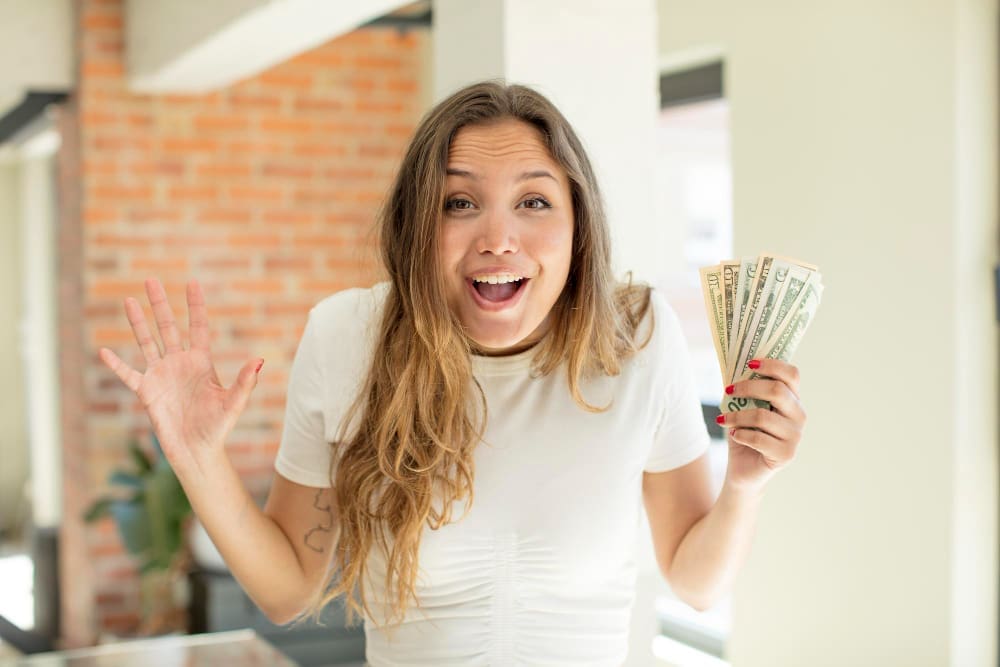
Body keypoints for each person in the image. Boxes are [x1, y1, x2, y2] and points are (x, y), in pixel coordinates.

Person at [98, 80, 807, 665]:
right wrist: (198, 459)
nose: (498, 238)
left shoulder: (636, 340)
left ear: (578, 226)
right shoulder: (348, 338)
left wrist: (745, 483)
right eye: (459, 202)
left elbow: (696, 577)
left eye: (534, 201)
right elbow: (286, 589)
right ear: (415, 225)